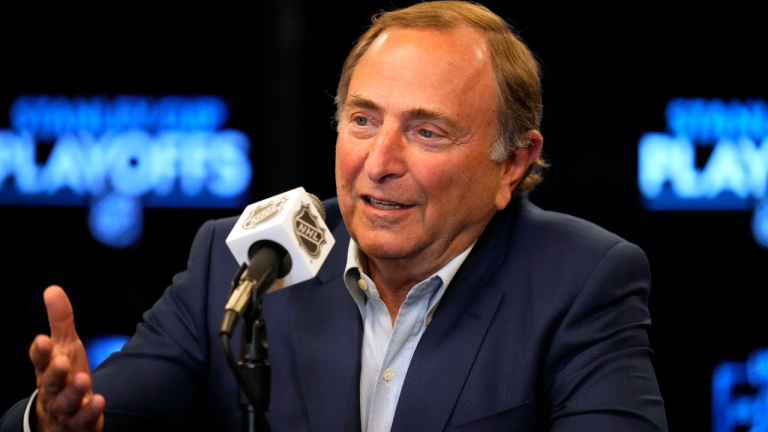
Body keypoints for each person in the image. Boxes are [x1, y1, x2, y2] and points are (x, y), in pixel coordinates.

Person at [1, 2, 669, 431]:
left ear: (513, 164)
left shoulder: (582, 281)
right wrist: (55, 422)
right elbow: (101, 415)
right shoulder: (242, 264)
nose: (378, 161)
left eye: (427, 132)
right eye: (362, 121)